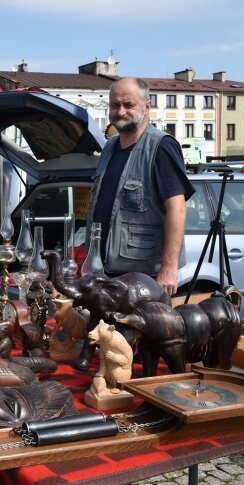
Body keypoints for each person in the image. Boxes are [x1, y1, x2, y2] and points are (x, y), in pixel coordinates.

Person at [80, 77, 194, 370]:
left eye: (128, 105)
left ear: (147, 105)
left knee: (147, 358)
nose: (120, 111)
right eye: (115, 105)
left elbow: (177, 208)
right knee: (113, 357)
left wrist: (168, 268)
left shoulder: (161, 147)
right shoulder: (110, 148)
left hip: (146, 280)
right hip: (110, 273)